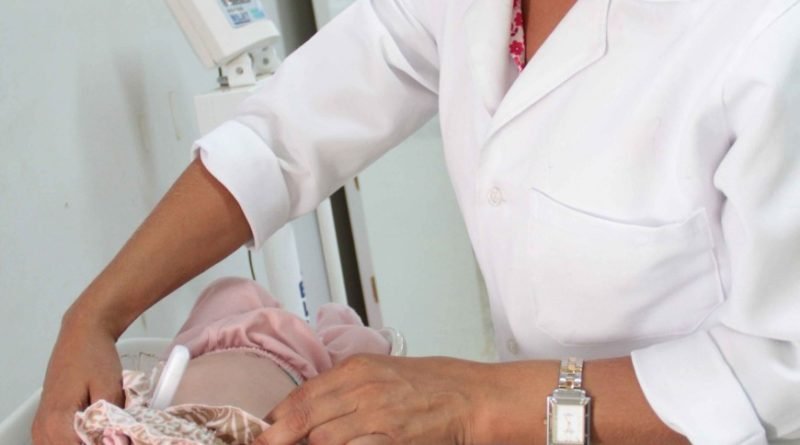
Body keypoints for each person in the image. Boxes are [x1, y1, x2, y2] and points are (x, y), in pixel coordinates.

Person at [33, 0, 800, 443]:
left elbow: (776, 370)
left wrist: (479, 401)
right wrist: (95, 312)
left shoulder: (765, 33)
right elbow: (288, 128)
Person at [74, 277, 397, 445]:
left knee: (232, 293)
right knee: (355, 361)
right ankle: (343, 324)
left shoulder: (216, 327)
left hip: (211, 358)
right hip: (303, 382)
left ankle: (344, 325)